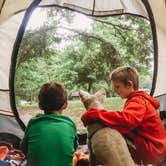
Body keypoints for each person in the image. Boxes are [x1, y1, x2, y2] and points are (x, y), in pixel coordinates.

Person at [81, 66, 166, 165]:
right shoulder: (137, 99)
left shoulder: (138, 101)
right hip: (155, 147)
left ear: (129, 84)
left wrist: (96, 115)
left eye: (117, 86)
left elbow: (127, 119)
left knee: (113, 139)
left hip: (152, 150)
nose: (115, 90)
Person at [20, 82, 78, 166]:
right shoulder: (69, 124)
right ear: (65, 105)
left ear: (40, 105)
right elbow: (74, 147)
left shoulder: (33, 123)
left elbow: (23, 148)